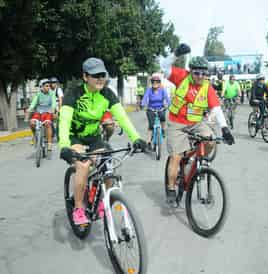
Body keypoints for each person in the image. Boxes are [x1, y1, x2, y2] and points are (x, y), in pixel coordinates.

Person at [58, 57, 146, 225]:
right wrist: (64, 146)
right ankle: (78, 208)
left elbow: (122, 117)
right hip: (73, 136)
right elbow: (64, 120)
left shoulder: (107, 94)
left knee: (108, 165)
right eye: (95, 75)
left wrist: (136, 138)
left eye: (102, 75)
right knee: (83, 165)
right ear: (85, 77)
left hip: (93, 136)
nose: (100, 79)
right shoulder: (74, 93)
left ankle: (100, 201)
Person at [161, 43, 235, 203]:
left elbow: (216, 108)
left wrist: (225, 129)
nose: (200, 76)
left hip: (196, 123)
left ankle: (196, 162)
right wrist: (175, 54)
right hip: (176, 123)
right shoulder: (182, 77)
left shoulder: (207, 87)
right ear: (191, 71)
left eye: (204, 73)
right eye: (197, 73)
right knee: (176, 156)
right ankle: (172, 187)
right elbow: (164, 66)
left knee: (211, 141)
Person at [25, 79, 56, 150]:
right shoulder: (38, 94)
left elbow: (54, 103)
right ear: (41, 87)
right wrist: (29, 110)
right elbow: (33, 104)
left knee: (48, 124)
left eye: (49, 86)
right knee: (32, 123)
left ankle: (49, 143)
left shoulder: (52, 93)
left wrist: (53, 110)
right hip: (38, 112)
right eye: (46, 86)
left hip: (48, 112)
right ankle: (34, 135)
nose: (48, 87)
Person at [141, 73, 170, 146]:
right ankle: (148, 141)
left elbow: (167, 99)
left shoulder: (162, 90)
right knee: (151, 126)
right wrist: (143, 104)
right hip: (151, 109)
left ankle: (163, 130)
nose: (155, 83)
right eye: (153, 81)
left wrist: (169, 105)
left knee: (163, 118)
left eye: (157, 82)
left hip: (161, 108)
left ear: (159, 83)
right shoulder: (149, 90)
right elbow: (145, 98)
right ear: (151, 82)